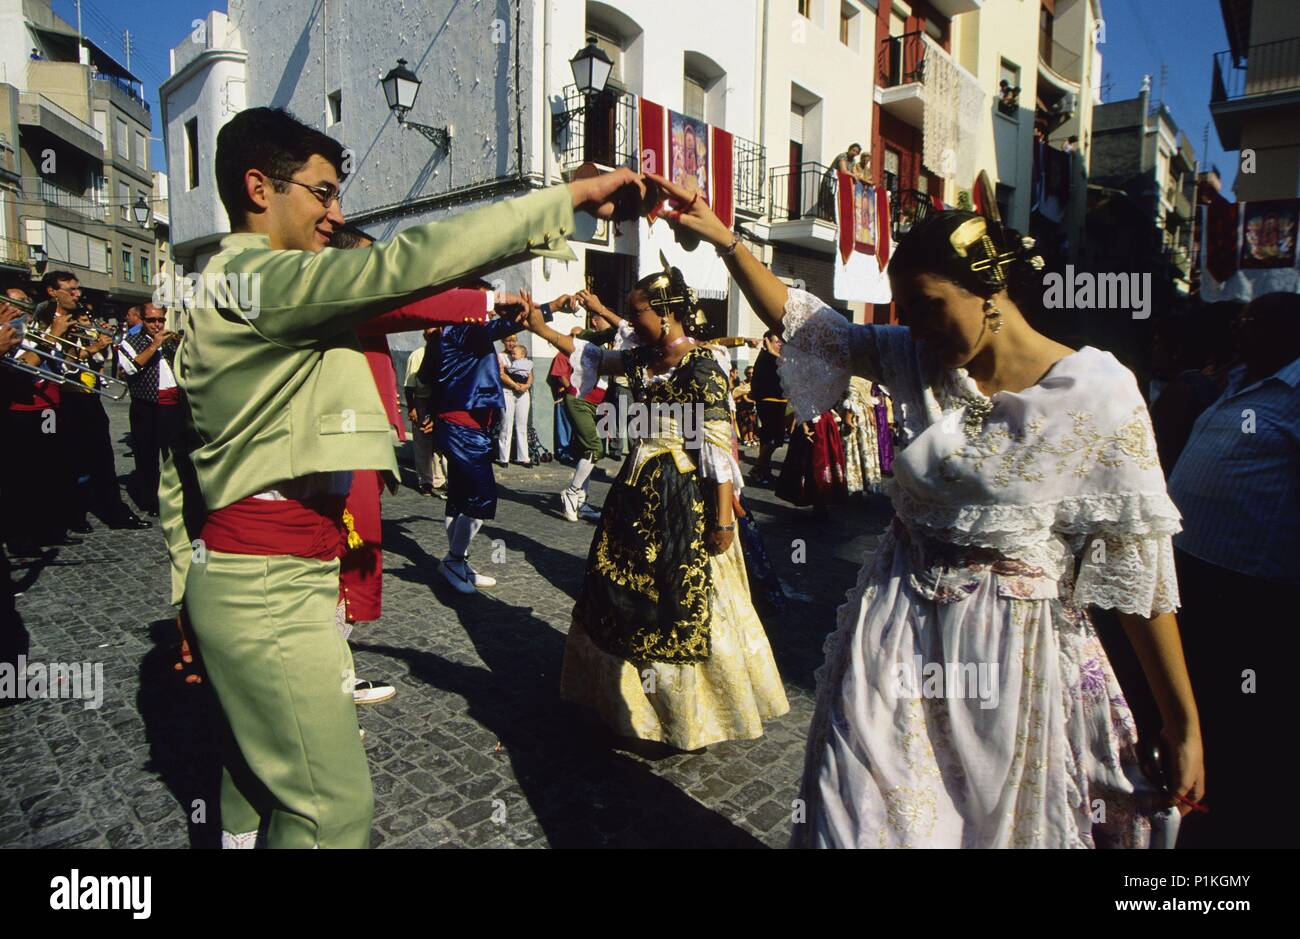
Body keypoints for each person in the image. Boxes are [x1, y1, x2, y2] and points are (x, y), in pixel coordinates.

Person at [652, 170, 1205, 848]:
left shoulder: (1100, 393)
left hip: (1013, 661)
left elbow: (1139, 578)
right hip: (895, 633)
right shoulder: (915, 358)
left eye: (927, 304)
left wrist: (1183, 724)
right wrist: (725, 241)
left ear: (989, 288)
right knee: (853, 820)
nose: (913, 326)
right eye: (903, 310)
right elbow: (813, 328)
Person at [157, 105, 642, 849]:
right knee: (329, 811)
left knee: (252, 785)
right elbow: (406, 263)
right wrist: (565, 198)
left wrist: (187, 581)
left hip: (249, 572)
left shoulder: (221, 282)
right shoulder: (262, 278)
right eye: (322, 192)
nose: (336, 213)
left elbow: (177, 467)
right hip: (267, 580)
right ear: (260, 188)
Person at [523, 260, 789, 751]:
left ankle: (688, 716)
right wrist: (540, 327)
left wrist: (724, 523)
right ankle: (631, 708)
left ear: (666, 313)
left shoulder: (702, 368)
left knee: (677, 599)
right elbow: (594, 358)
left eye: (638, 312)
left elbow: (717, 453)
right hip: (633, 491)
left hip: (681, 498)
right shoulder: (644, 360)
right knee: (622, 595)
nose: (632, 322)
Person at [1166, 291, 1300, 849]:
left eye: (1254, 320)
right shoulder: (1238, 378)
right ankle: (1190, 794)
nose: (1240, 327)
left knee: (1238, 706)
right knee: (1193, 692)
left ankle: (1229, 821)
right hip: (1190, 569)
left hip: (1247, 585)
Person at [40, 271, 150, 532]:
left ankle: (114, 511)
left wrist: (98, 345)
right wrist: (89, 348)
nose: (77, 294)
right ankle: (71, 514)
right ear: (52, 292)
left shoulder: (79, 318)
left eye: (77, 289)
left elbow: (91, 362)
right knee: (69, 461)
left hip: (88, 396)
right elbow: (57, 363)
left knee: (102, 458)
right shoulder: (44, 320)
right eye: (70, 289)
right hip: (62, 399)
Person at [117, 303, 181, 516]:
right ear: (142, 321)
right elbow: (130, 368)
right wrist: (154, 345)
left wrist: (180, 344)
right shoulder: (130, 342)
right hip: (147, 405)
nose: (157, 324)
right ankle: (150, 501)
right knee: (147, 455)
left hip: (173, 403)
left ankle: (177, 495)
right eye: (152, 320)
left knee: (175, 454)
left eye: (160, 320)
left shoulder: (170, 342)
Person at [775, 409, 847, 516]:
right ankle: (817, 500)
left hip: (825, 422)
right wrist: (803, 423)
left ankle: (822, 500)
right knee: (812, 461)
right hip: (810, 421)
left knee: (825, 460)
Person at [404, 328, 448, 497]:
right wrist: (412, 407)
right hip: (422, 401)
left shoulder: (444, 352)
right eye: (429, 335)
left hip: (440, 402)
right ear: (424, 337)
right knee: (423, 444)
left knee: (439, 445)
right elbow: (409, 385)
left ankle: (439, 479)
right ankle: (425, 481)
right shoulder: (417, 355)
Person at [749, 331, 787, 484]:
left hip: (778, 401)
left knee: (767, 438)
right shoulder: (766, 357)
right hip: (770, 401)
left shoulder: (772, 357)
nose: (780, 345)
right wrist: (771, 351)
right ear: (767, 342)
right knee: (775, 439)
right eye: (777, 342)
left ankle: (764, 470)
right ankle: (758, 468)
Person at [497, 335, 534, 467]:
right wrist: (514, 385)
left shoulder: (522, 354)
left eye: (513, 341)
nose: (511, 344)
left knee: (522, 425)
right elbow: (502, 374)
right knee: (506, 424)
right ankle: (504, 458)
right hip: (507, 391)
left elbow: (529, 373)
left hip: (523, 392)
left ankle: (523, 457)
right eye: (508, 341)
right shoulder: (501, 357)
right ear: (503, 342)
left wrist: (527, 385)